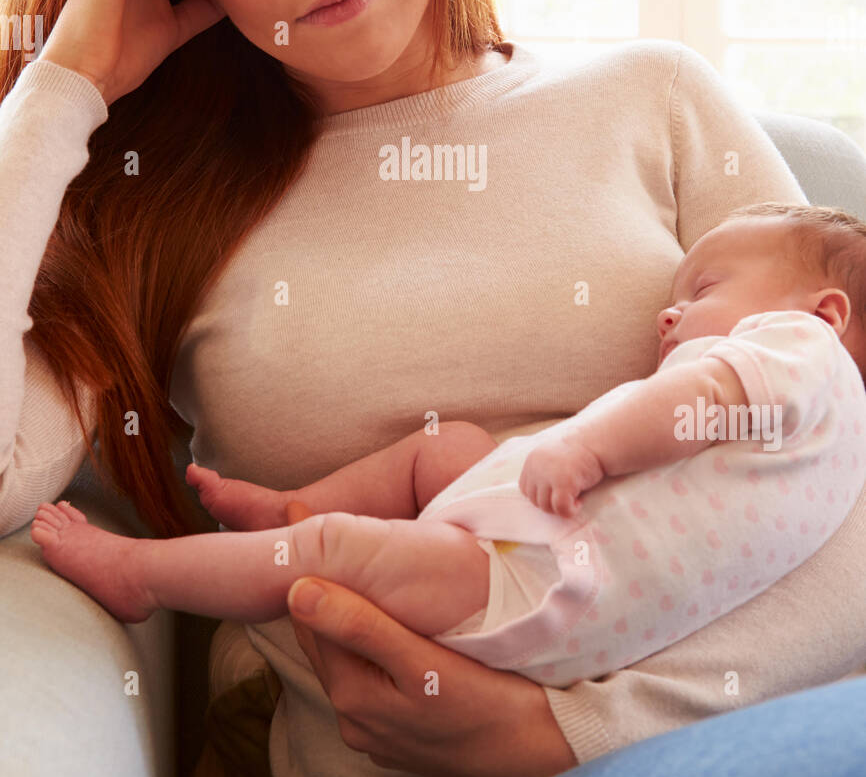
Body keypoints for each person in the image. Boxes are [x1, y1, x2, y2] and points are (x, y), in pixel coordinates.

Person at [2, 0, 864, 777]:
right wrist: (60, 90)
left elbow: (850, 460)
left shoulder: (651, 98)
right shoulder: (160, 207)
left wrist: (564, 734)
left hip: (724, 770)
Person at [29, 203, 866, 693]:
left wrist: (589, 450)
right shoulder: (834, 444)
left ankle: (144, 578)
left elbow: (693, 398)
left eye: (703, 291)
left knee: (332, 555)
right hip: (545, 553)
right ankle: (299, 504)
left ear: (827, 313)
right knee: (448, 448)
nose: (667, 315)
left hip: (532, 580)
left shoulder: (802, 350)